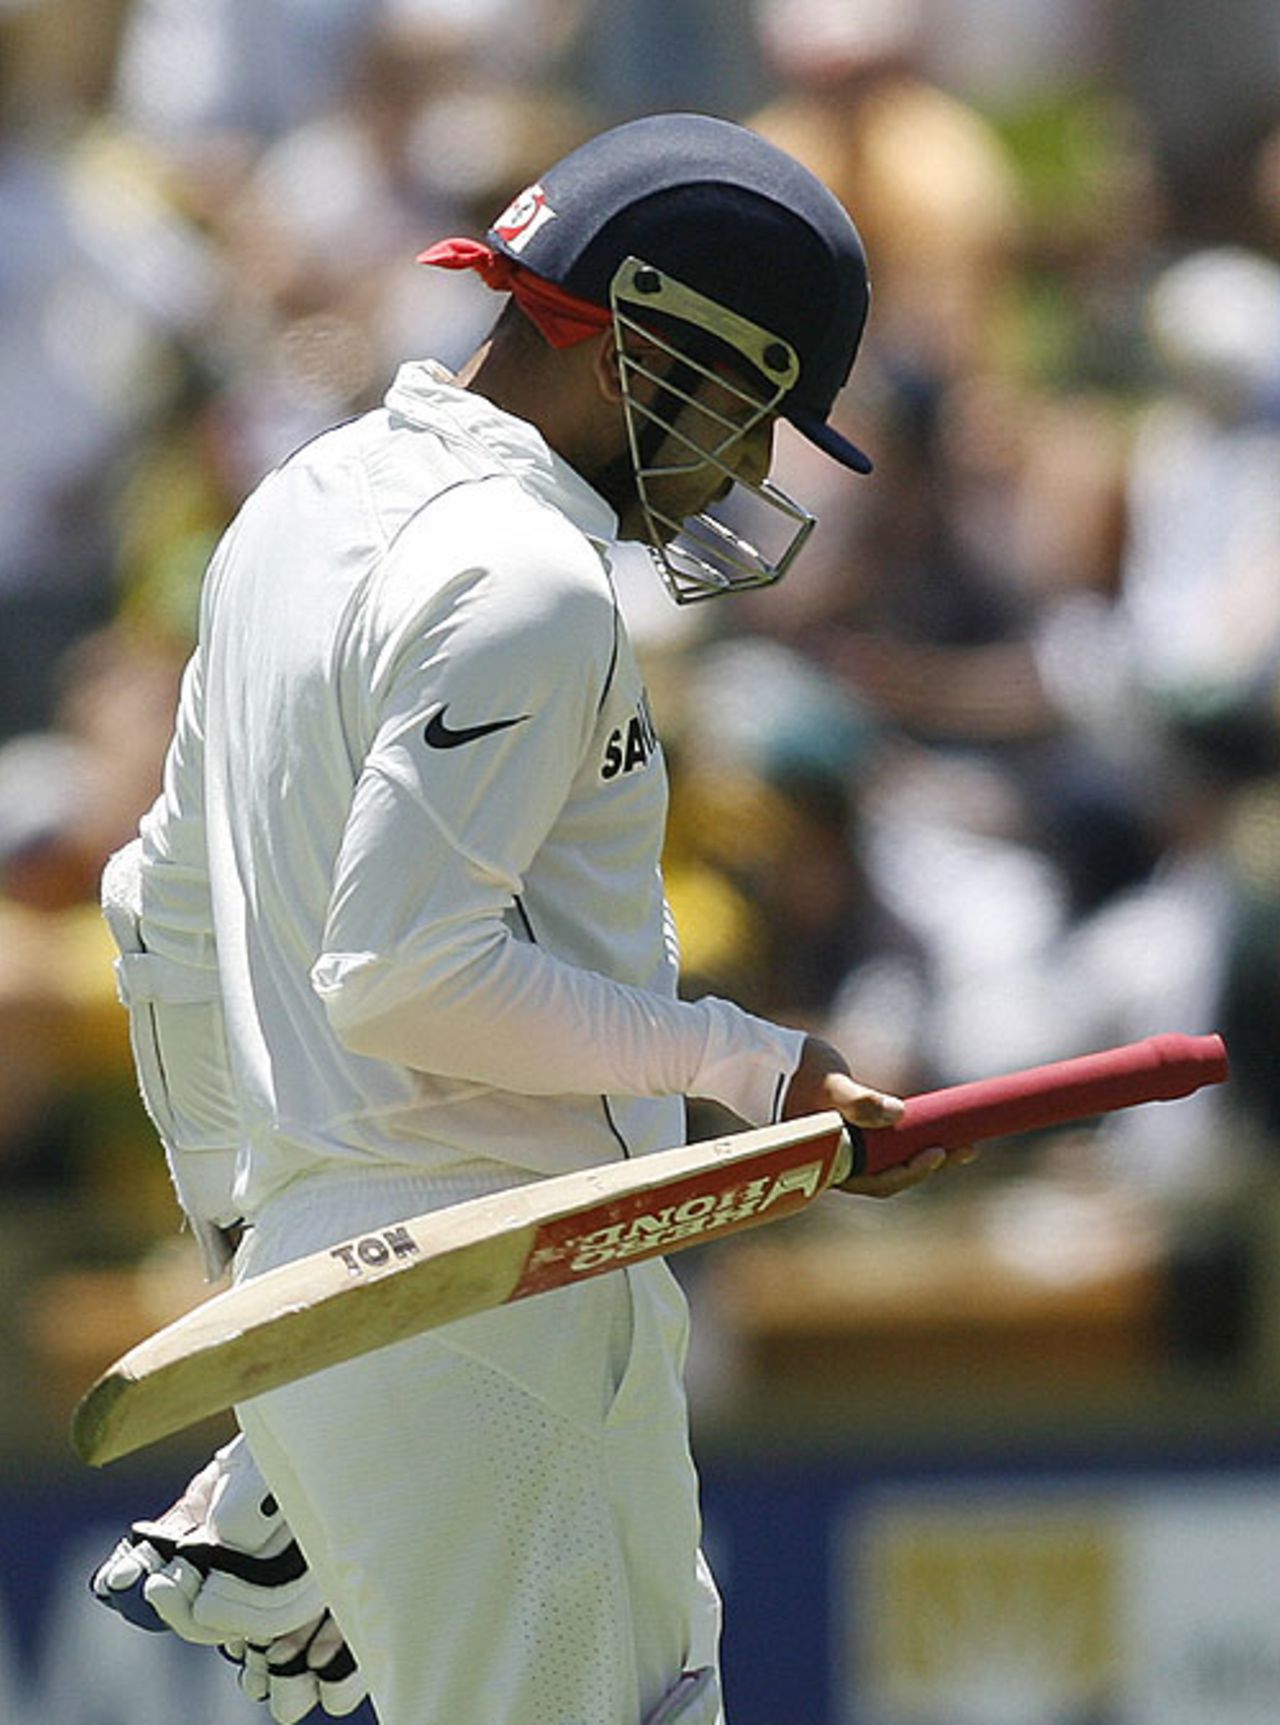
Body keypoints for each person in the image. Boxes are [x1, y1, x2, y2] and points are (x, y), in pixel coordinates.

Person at [89, 111, 962, 1725]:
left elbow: (158, 916)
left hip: (372, 1291)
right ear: (653, 344)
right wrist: (753, 1063)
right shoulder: (532, 582)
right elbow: (405, 974)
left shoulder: (297, 503)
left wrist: (270, 1288)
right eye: (761, 412)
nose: (756, 470)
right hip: (495, 1296)